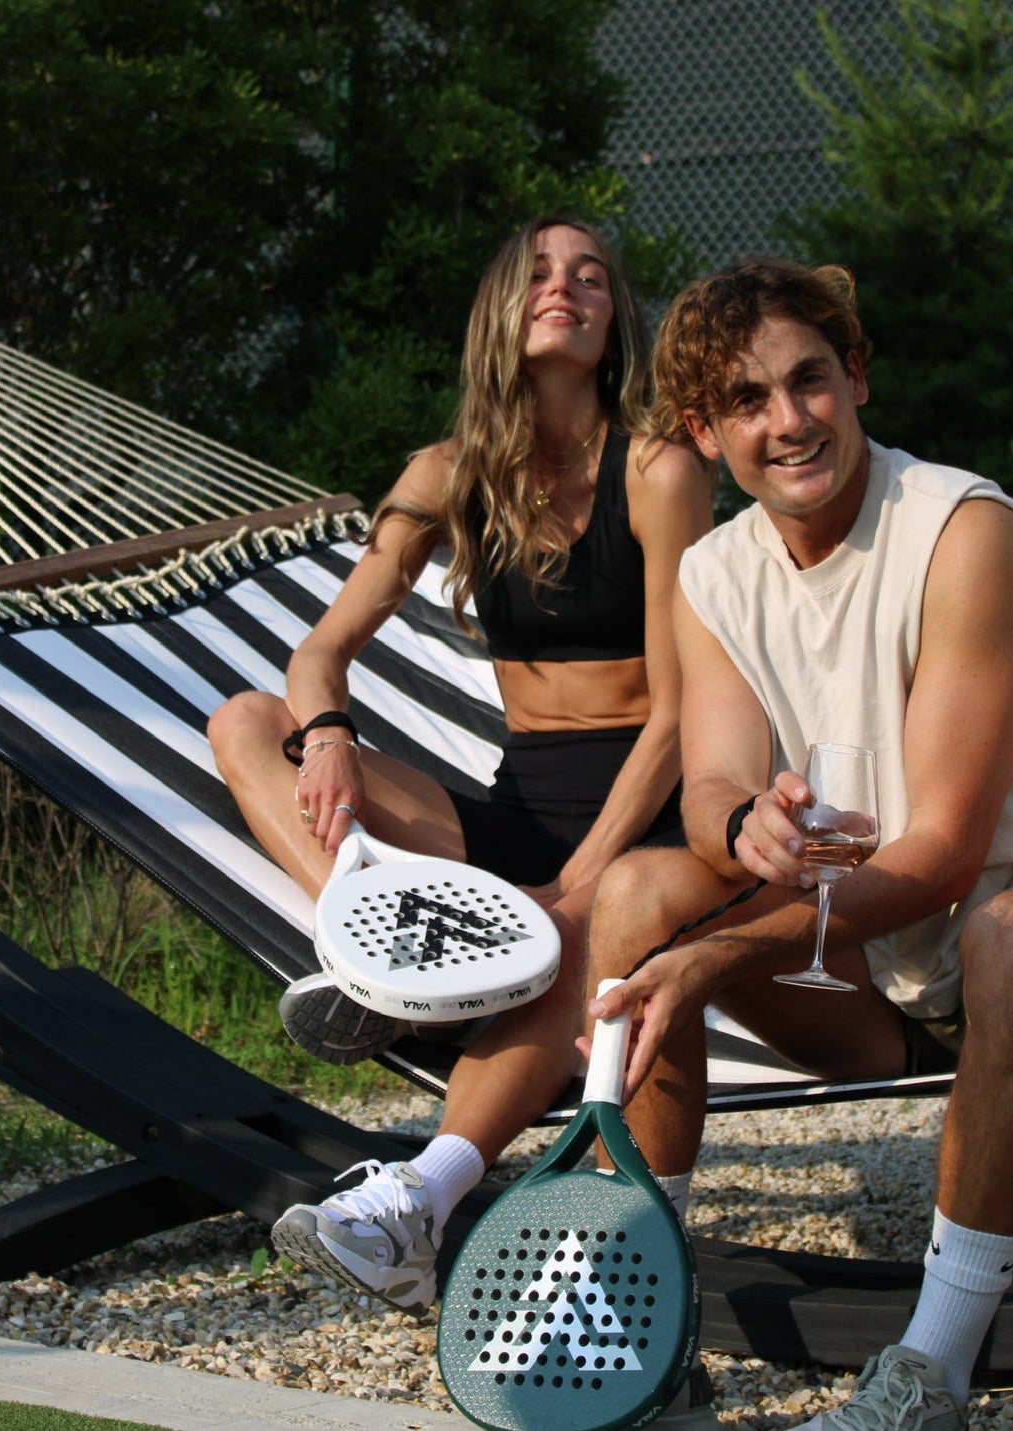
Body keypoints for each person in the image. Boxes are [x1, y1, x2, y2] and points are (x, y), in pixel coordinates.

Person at [580, 258, 1013, 1431]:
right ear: (705, 434)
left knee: (1008, 937)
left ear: (856, 377)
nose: (786, 420)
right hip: (869, 962)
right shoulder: (714, 572)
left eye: (808, 379)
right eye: (746, 401)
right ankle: (644, 1324)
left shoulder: (964, 536)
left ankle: (925, 1382)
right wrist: (736, 824)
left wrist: (711, 959)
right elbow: (706, 781)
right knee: (639, 887)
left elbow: (951, 854)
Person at [207, 218, 712, 1334]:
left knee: (579, 943)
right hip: (516, 798)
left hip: (642, 811)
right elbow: (315, 654)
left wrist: (579, 884)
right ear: (499, 307)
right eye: (538, 272)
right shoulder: (444, 475)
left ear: (610, 319)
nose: (564, 287)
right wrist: (328, 731)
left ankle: (413, 1202)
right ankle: (362, 940)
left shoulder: (659, 470)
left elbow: (681, 716)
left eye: (588, 276)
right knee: (248, 721)